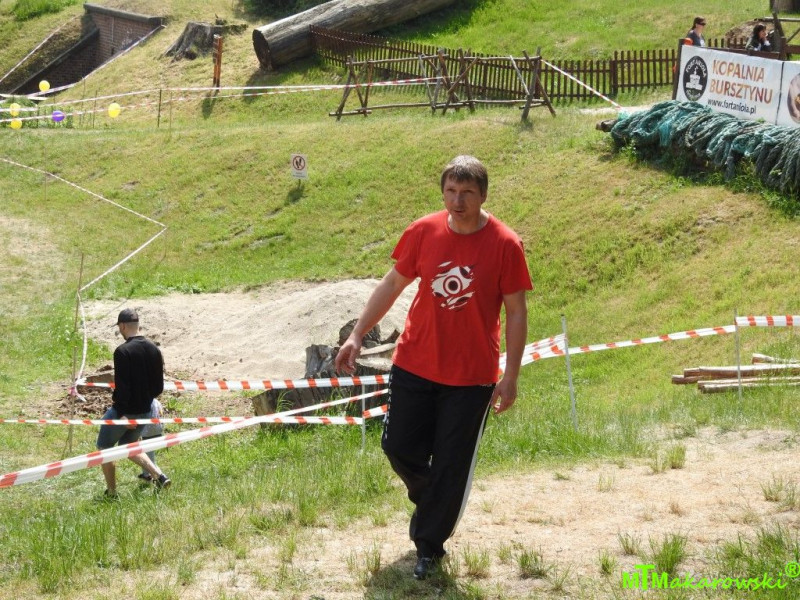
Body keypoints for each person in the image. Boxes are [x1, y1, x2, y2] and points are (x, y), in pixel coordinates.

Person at [335, 155, 532, 580]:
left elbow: (516, 312)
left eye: (467, 193)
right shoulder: (423, 231)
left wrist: (511, 375)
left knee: (451, 464)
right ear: (442, 192)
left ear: (483, 196)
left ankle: (429, 547)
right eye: (451, 191)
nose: (458, 201)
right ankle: (437, 500)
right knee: (398, 447)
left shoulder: (505, 244)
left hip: (471, 377)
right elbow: (393, 283)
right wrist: (357, 334)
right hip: (414, 363)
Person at [96, 308, 171, 497]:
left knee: (104, 447)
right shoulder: (154, 349)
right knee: (128, 445)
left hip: (125, 412)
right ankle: (159, 476)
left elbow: (123, 387)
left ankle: (112, 493)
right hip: (146, 411)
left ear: (122, 326)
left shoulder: (122, 351)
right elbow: (158, 387)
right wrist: (145, 402)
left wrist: (122, 414)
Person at [137, 398, 164, 482]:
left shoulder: (143, 401)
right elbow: (161, 414)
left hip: (147, 433)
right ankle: (146, 475)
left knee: (150, 460)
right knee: (146, 454)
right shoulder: (156, 402)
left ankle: (162, 478)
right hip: (157, 430)